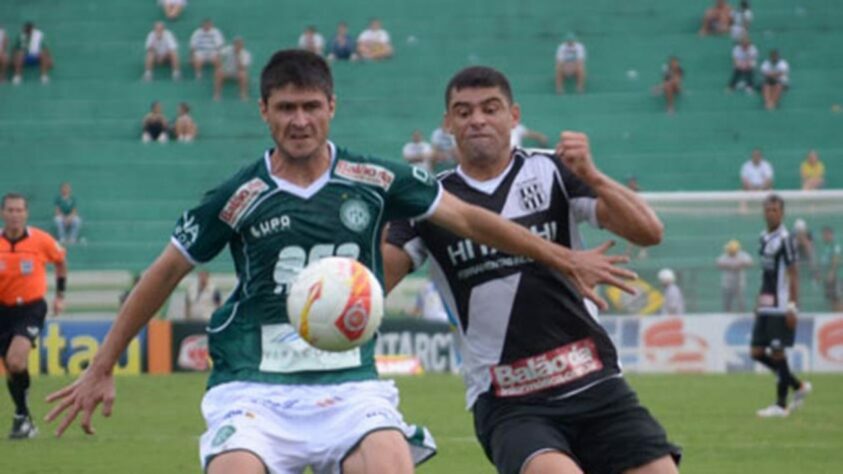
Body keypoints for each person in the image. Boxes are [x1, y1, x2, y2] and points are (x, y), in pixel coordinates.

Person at [45, 50, 634, 474]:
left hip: (349, 387)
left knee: (388, 464)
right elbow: (164, 273)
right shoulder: (236, 196)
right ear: (264, 112)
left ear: (332, 107)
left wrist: (564, 256)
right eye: (285, 108)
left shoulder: (376, 180)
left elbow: (472, 220)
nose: (298, 120)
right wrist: (102, 365)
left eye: (310, 106)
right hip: (252, 387)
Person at [384, 66, 679, 474]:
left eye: (491, 108)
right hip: (510, 400)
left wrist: (593, 175)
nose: (477, 120)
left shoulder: (552, 170)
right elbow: (374, 280)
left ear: (514, 116)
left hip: (594, 381)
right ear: (448, 123)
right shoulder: (430, 202)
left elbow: (649, 232)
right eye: (464, 112)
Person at [1, 193, 67, 439]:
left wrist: (60, 295)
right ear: (3, 213)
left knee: (16, 360)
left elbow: (60, 261)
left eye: (19, 210)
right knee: (11, 368)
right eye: (10, 210)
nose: (15, 215)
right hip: (2, 311)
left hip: (30, 308)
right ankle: (23, 417)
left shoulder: (41, 240)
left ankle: (22, 416)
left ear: (26, 214)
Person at [751, 194, 812, 418]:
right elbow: (764, 273)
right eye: (768, 209)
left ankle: (781, 405)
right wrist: (758, 300)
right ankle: (798, 386)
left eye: (775, 210)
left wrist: (792, 306)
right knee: (756, 352)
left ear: (782, 213)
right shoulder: (763, 238)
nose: (771, 213)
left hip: (780, 306)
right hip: (766, 305)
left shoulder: (786, 239)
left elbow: (793, 274)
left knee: (778, 354)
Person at [716, 239, 753, 312]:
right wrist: (729, 266)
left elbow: (750, 263)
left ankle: (742, 313)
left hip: (739, 283)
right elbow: (718, 263)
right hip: (727, 283)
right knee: (727, 302)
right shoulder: (725, 256)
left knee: (741, 301)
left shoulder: (742, 255)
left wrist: (741, 265)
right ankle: (727, 313)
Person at [819, 226, 842, 312]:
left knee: (837, 298)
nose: (825, 236)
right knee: (832, 300)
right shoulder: (825, 247)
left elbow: (836, 258)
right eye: (824, 234)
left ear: (831, 235)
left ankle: (840, 318)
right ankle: (835, 316)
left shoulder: (835, 245)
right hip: (827, 279)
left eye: (827, 234)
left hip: (835, 278)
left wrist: (831, 273)